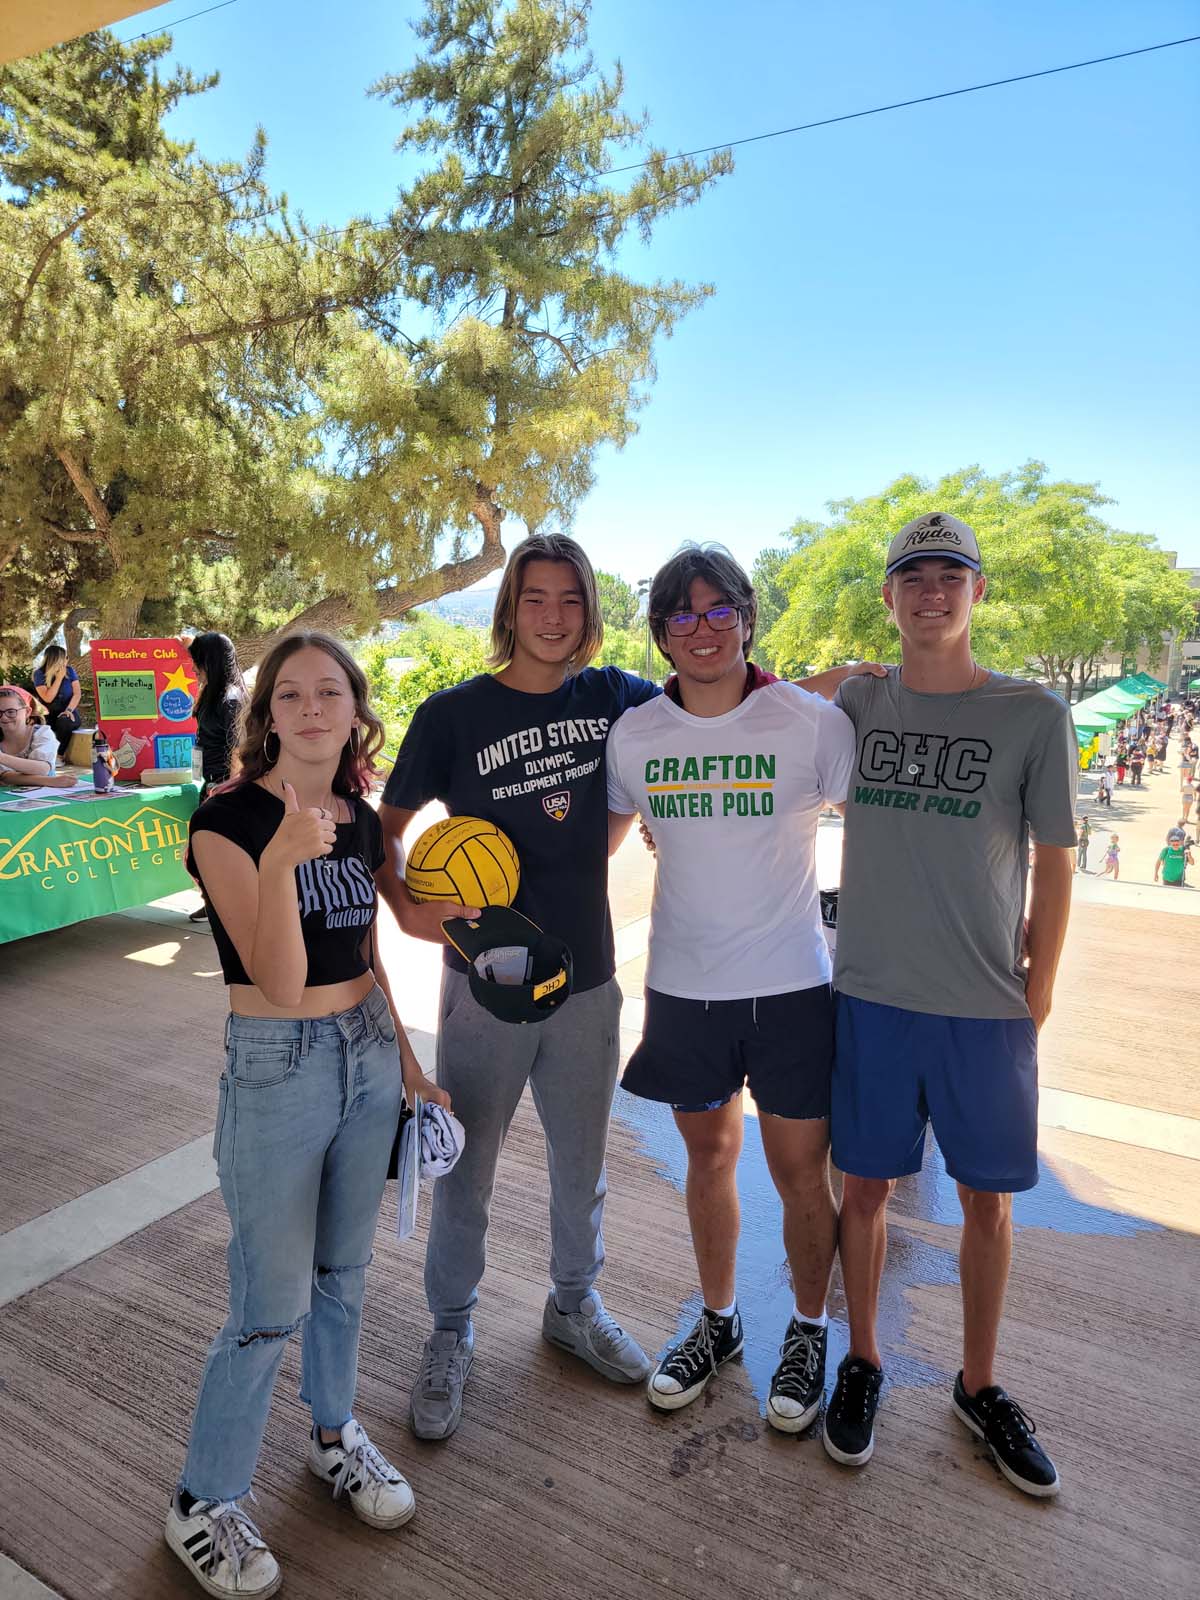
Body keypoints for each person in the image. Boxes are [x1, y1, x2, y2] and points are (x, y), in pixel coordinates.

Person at [167, 632, 447, 1600]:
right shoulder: (228, 821)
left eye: (332, 691)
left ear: (356, 709)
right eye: (293, 694)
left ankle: (335, 1437)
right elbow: (279, 981)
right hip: (278, 1068)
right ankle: (203, 1500)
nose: (314, 708)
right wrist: (285, 859)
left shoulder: (362, 820)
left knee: (346, 1275)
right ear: (269, 714)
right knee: (267, 1304)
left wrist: (413, 1066)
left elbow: (366, 953)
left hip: (367, 1057)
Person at [378, 534, 660, 1442]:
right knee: (469, 1167)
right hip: (485, 982)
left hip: (587, 977)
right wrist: (417, 916)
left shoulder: (616, 697)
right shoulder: (453, 714)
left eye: (570, 599)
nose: (553, 616)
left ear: (589, 610)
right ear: (509, 608)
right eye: (535, 598)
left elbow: (715, 706)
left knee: (584, 1164)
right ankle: (450, 1330)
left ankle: (573, 1306)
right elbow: (384, 831)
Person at [827, 512, 1076, 1499]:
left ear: (978, 592)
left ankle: (979, 1382)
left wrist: (1039, 988)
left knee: (988, 1200)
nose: (932, 592)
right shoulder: (855, 704)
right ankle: (864, 1357)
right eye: (913, 576)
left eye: (951, 576)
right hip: (873, 994)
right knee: (866, 1191)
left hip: (984, 1004)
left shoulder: (1032, 713)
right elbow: (763, 709)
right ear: (890, 597)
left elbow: (1055, 865)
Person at [606, 546, 856, 1430]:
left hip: (791, 988)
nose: (703, 629)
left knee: (798, 1175)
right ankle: (718, 1323)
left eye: (720, 612)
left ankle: (809, 1328)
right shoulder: (636, 735)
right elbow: (593, 843)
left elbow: (887, 832)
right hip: (683, 989)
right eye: (683, 615)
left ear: (748, 619)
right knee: (707, 1160)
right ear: (662, 634)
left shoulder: (809, 722)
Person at [186, 632, 249, 922]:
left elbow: (239, 749)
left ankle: (225, 906)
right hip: (210, 782)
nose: (194, 668)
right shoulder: (211, 692)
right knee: (202, 853)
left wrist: (228, 789)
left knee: (216, 854)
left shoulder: (231, 699)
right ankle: (212, 901)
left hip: (225, 786)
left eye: (197, 662)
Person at [0, 685, 60, 784]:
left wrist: (2, 758)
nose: (4, 717)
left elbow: (43, 769)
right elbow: (4, 777)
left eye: (11, 712)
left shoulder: (42, 733)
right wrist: (50, 781)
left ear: (27, 712)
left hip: (44, 794)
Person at [31, 644, 82, 759]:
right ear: (57, 659)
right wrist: (59, 678)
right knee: (35, 725)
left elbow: (77, 694)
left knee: (64, 721)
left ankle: (59, 756)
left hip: (68, 712)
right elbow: (47, 698)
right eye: (65, 657)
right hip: (48, 714)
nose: (67, 660)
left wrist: (69, 710)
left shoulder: (70, 671)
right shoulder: (39, 674)